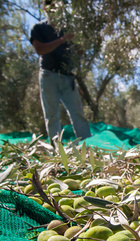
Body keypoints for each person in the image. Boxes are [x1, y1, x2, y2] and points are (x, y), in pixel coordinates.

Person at [29, 0, 91, 142]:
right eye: (51, 7)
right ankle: (56, 150)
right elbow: (40, 49)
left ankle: (87, 146)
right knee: (51, 115)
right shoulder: (39, 28)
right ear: (45, 8)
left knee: (78, 114)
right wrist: (63, 39)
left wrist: (77, 41)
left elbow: (80, 51)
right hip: (48, 75)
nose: (54, 10)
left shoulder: (67, 29)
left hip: (68, 77)